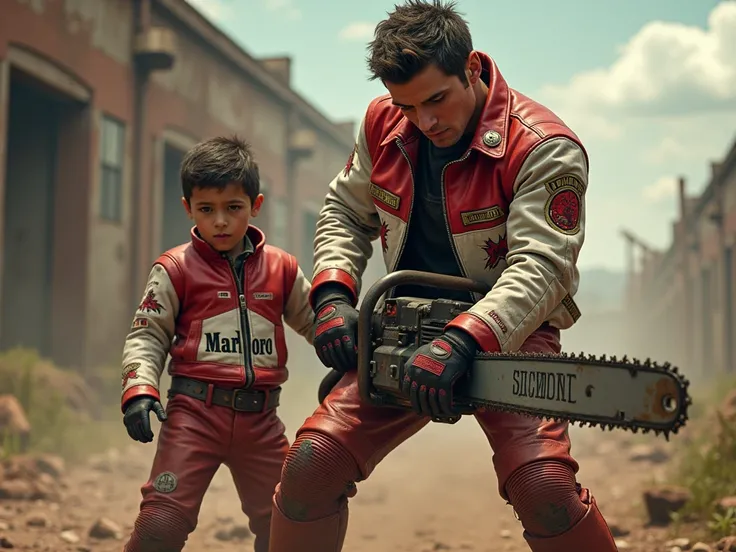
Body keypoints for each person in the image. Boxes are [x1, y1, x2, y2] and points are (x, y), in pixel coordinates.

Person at [267, 1, 619, 551]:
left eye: (436, 99)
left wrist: (463, 339)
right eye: (407, 106)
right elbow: (344, 211)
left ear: (473, 69)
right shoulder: (382, 122)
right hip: (399, 330)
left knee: (542, 486)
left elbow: (542, 267)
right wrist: (333, 294)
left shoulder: (543, 147)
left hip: (509, 337)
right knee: (312, 465)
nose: (425, 121)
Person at [118, 136, 314, 552]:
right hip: (193, 416)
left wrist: (350, 351)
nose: (220, 222)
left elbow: (318, 323)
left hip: (261, 420)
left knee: (289, 523)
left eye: (233, 208)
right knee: (161, 524)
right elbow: (147, 335)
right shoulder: (175, 269)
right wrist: (138, 389)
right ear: (188, 207)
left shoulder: (281, 269)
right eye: (207, 210)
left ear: (255, 205)